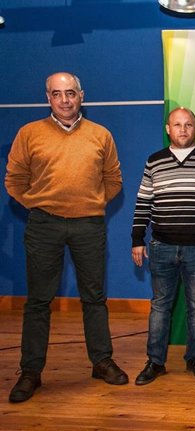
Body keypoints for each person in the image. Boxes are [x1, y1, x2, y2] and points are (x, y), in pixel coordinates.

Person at [5, 72, 128, 403]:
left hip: (89, 225)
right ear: (48, 98)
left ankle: (101, 361)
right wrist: (37, 203)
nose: (64, 100)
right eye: (57, 94)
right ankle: (31, 371)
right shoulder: (29, 134)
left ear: (81, 96)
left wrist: (93, 204)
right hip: (44, 225)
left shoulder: (100, 135)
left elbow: (114, 179)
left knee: (94, 297)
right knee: (38, 301)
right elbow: (14, 180)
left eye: (70, 93)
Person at [131, 107, 195, 386]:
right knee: (160, 307)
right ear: (168, 129)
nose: (183, 130)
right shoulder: (154, 161)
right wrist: (137, 240)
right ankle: (155, 361)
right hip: (162, 246)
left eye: (188, 125)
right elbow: (143, 201)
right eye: (177, 125)